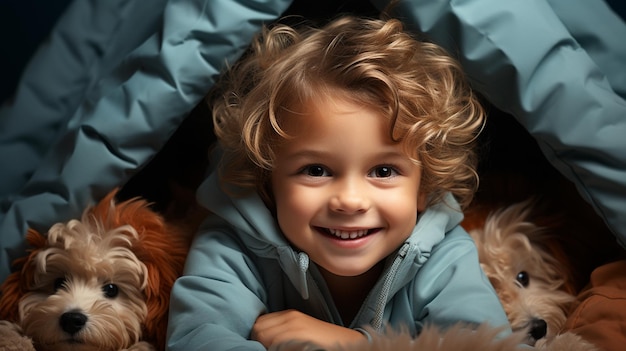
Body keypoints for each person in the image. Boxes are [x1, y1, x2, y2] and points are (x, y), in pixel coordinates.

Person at [166, 16, 510, 350]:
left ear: (423, 188)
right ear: (267, 181)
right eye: (316, 170)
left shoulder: (446, 256)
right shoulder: (231, 245)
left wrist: (356, 345)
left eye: (384, 171)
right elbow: (199, 338)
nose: (350, 200)